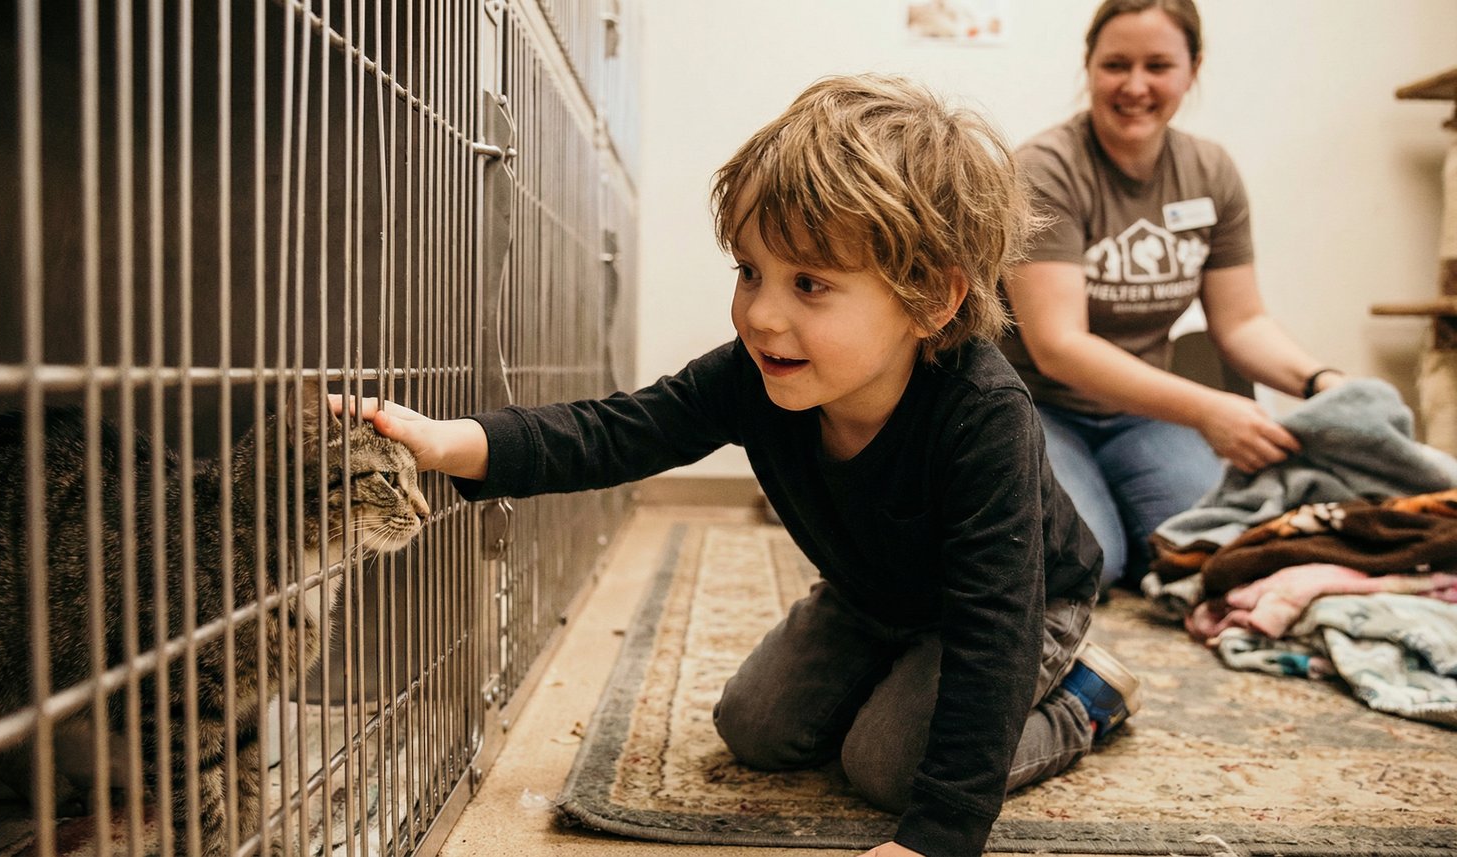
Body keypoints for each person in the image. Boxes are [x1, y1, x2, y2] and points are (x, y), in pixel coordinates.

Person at [342, 74, 1137, 857]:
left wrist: (938, 835)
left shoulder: (984, 413)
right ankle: (901, 672)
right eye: (749, 271)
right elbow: (618, 431)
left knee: (890, 768)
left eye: (810, 284)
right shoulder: (757, 374)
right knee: (754, 727)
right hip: (873, 593)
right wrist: (451, 441)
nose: (760, 313)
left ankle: (1086, 700)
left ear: (930, 297)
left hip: (1023, 602)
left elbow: (994, 625)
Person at [1000, 0, 1347, 593]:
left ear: (1193, 68)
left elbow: (1242, 323)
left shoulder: (1210, 172)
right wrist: (1209, 411)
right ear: (1089, 68)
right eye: (1116, 65)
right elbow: (1059, 346)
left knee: (1212, 547)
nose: (1135, 86)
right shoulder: (1044, 169)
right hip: (1038, 406)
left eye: (1158, 65)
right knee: (1092, 563)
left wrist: (1322, 383)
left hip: (1143, 413)